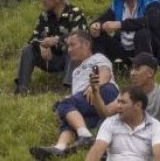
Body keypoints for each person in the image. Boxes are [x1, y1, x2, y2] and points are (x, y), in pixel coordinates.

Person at [29, 30, 120, 158]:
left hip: (104, 92)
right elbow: (77, 97)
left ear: (86, 44)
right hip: (88, 102)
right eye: (67, 46)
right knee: (69, 119)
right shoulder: (75, 71)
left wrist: (95, 86)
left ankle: (85, 136)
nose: (69, 50)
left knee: (64, 103)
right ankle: (60, 148)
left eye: (72, 45)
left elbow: (105, 73)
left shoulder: (97, 58)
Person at [15, 0, 88, 94]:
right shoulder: (45, 15)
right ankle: (22, 87)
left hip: (69, 58)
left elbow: (81, 36)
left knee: (74, 47)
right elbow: (33, 38)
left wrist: (57, 40)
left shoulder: (75, 13)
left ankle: (68, 87)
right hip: (50, 58)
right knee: (28, 49)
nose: (43, 0)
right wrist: (41, 45)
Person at [83, 86, 160, 161]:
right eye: (118, 102)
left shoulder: (156, 127)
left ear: (138, 105)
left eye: (123, 102)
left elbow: (159, 156)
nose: (118, 106)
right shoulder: (110, 122)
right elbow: (97, 150)